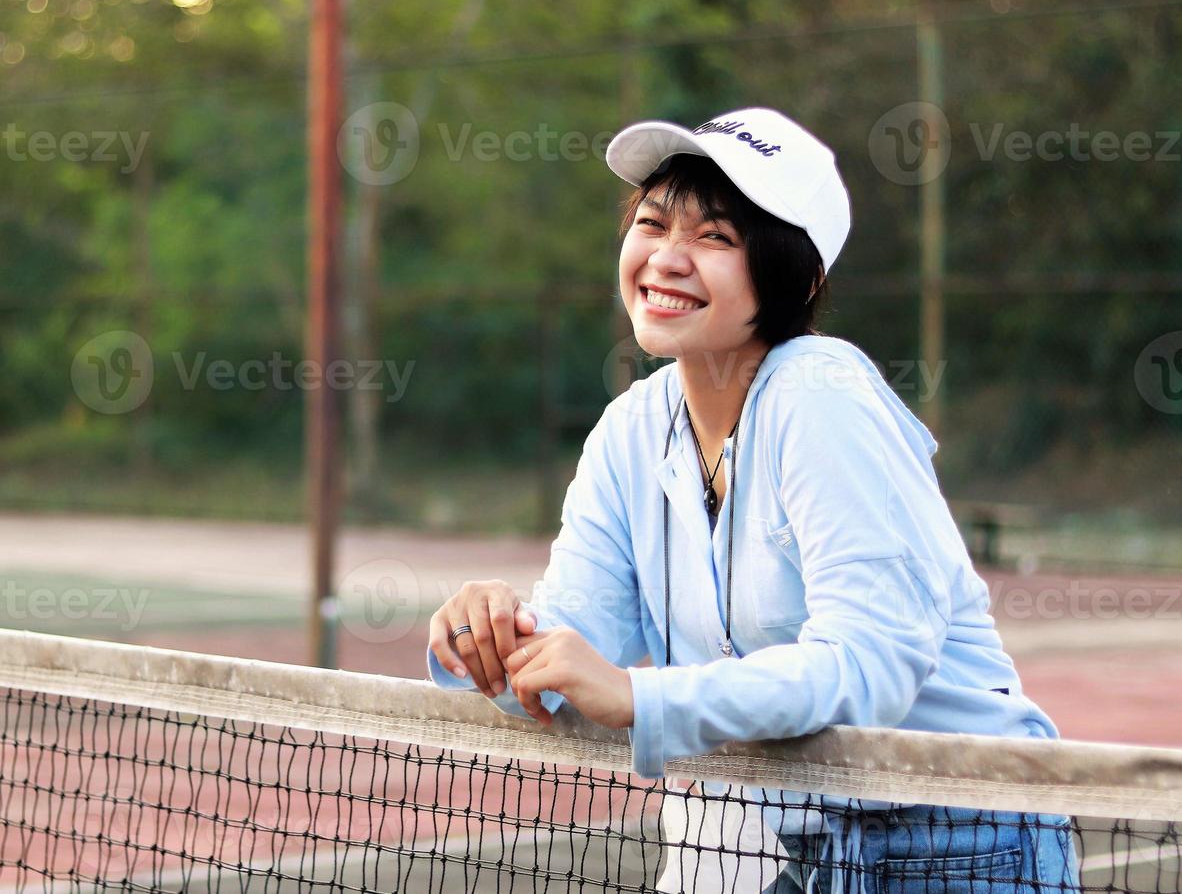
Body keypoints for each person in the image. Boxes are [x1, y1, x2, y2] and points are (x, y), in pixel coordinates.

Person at [425, 107, 1080, 892]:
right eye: (652, 223)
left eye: (716, 239)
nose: (667, 258)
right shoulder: (630, 429)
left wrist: (641, 695)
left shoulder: (820, 391)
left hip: (959, 841)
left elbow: (869, 664)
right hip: (788, 847)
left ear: (794, 279)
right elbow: (573, 652)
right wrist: (491, 642)